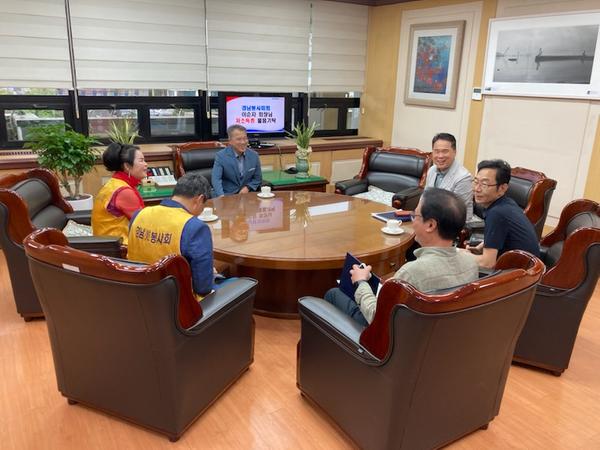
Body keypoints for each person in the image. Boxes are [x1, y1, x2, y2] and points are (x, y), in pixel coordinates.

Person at [324, 188, 479, 326]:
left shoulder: (412, 273)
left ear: (430, 225)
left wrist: (361, 282)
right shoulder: (471, 262)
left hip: (390, 341)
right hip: (437, 336)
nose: (412, 220)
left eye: (415, 215)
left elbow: (376, 317)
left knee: (333, 294)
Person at [127, 173, 216, 297]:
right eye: (203, 205)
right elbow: (203, 288)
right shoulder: (195, 227)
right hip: (179, 302)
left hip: (138, 294)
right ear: (199, 199)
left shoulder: (139, 215)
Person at [466, 159, 540, 268]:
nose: (477, 189)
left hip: (518, 274)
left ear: (502, 188)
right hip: (525, 269)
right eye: (476, 182)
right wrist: (479, 249)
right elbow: (500, 235)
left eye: (484, 184)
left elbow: (487, 263)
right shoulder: (506, 203)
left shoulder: (497, 213)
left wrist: (460, 256)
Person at [92, 143, 147, 245]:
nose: (146, 164)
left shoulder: (114, 182)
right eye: (141, 160)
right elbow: (144, 224)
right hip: (118, 247)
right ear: (127, 166)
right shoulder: (124, 191)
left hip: (105, 242)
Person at [425, 133, 473, 220]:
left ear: (454, 152)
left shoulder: (463, 177)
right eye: (436, 151)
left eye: (445, 151)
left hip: (453, 222)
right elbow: (425, 198)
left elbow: (455, 210)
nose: (440, 156)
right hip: (432, 217)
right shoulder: (432, 170)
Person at [212, 124, 262, 197]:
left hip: (246, 196)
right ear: (230, 141)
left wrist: (248, 187)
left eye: (245, 138)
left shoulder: (254, 155)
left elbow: (257, 179)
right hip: (227, 195)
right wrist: (222, 197)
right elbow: (216, 180)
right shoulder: (221, 156)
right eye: (239, 139)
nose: (243, 142)